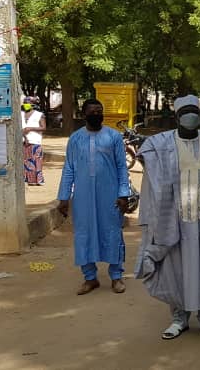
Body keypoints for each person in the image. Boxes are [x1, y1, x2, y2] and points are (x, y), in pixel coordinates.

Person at [135, 95, 200, 340]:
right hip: (173, 218)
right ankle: (178, 318)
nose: (191, 116)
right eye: (186, 112)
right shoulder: (161, 143)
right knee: (175, 267)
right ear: (177, 117)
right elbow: (145, 154)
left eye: (195, 111)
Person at [56, 99, 132, 295]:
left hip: (110, 195)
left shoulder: (113, 136)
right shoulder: (75, 139)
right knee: (84, 233)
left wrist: (124, 194)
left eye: (100, 111)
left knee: (112, 232)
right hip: (82, 196)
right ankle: (90, 278)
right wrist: (64, 196)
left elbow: (122, 167)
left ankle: (116, 276)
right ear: (84, 114)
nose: (97, 114)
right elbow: (69, 168)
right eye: (93, 111)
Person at [21, 96, 47, 186]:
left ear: (33, 105)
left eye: (28, 104)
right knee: (26, 161)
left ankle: (38, 180)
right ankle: (28, 179)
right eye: (25, 104)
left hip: (35, 141)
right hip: (23, 141)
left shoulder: (39, 115)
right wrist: (24, 135)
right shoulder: (20, 114)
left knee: (36, 161)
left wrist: (30, 128)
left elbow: (43, 127)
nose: (26, 105)